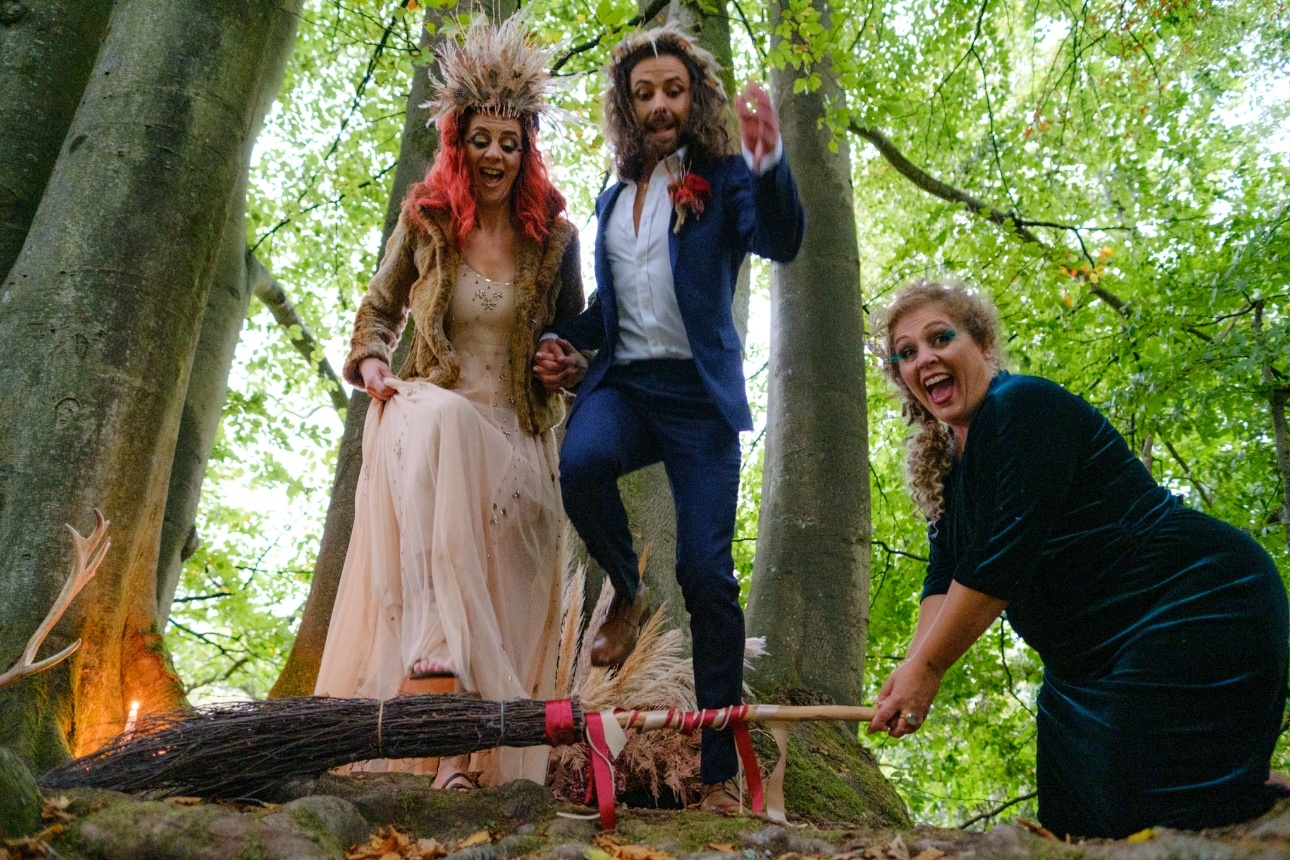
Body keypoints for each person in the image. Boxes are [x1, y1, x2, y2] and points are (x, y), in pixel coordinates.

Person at [866, 280, 1289, 838]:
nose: (926, 358)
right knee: (1076, 827)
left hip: (1192, 605)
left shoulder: (1021, 406)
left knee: (1160, 821)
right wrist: (909, 672)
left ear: (984, 343)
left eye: (940, 337)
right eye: (907, 353)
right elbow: (943, 576)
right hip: (1083, 669)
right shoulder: (949, 468)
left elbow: (999, 562)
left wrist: (932, 668)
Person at [532, 22, 805, 813]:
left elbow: (782, 240)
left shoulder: (723, 178)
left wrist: (769, 159)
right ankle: (626, 585)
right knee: (580, 465)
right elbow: (604, 316)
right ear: (627, 105)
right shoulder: (614, 196)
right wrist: (559, 340)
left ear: (697, 98)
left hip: (698, 403)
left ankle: (720, 768)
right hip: (625, 388)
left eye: (673, 91)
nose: (659, 105)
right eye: (644, 93)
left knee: (708, 576)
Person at [314, 16, 583, 791]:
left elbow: (580, 335)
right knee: (445, 422)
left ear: (526, 149)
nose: (495, 154)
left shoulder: (556, 242)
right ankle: (425, 726)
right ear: (458, 142)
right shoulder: (426, 220)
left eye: (510, 141)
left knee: (501, 603)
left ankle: (471, 767)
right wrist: (369, 360)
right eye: (482, 138)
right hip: (439, 429)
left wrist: (568, 359)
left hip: (523, 443)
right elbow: (379, 309)